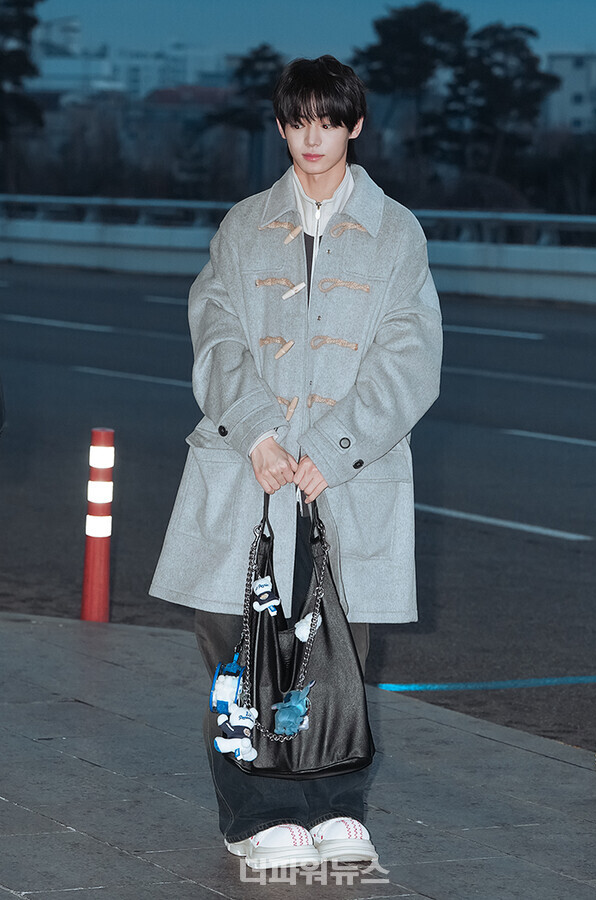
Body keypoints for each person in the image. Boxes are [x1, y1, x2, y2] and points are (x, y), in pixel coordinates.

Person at [150, 54, 443, 870]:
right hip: (249, 473)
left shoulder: (396, 233)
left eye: (329, 120)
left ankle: (333, 804)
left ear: (355, 125)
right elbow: (217, 335)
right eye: (297, 120)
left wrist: (337, 448)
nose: (312, 137)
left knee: (339, 651)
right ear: (281, 127)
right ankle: (255, 813)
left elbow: (410, 357)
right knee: (239, 655)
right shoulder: (244, 226)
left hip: (348, 483)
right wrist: (258, 431)